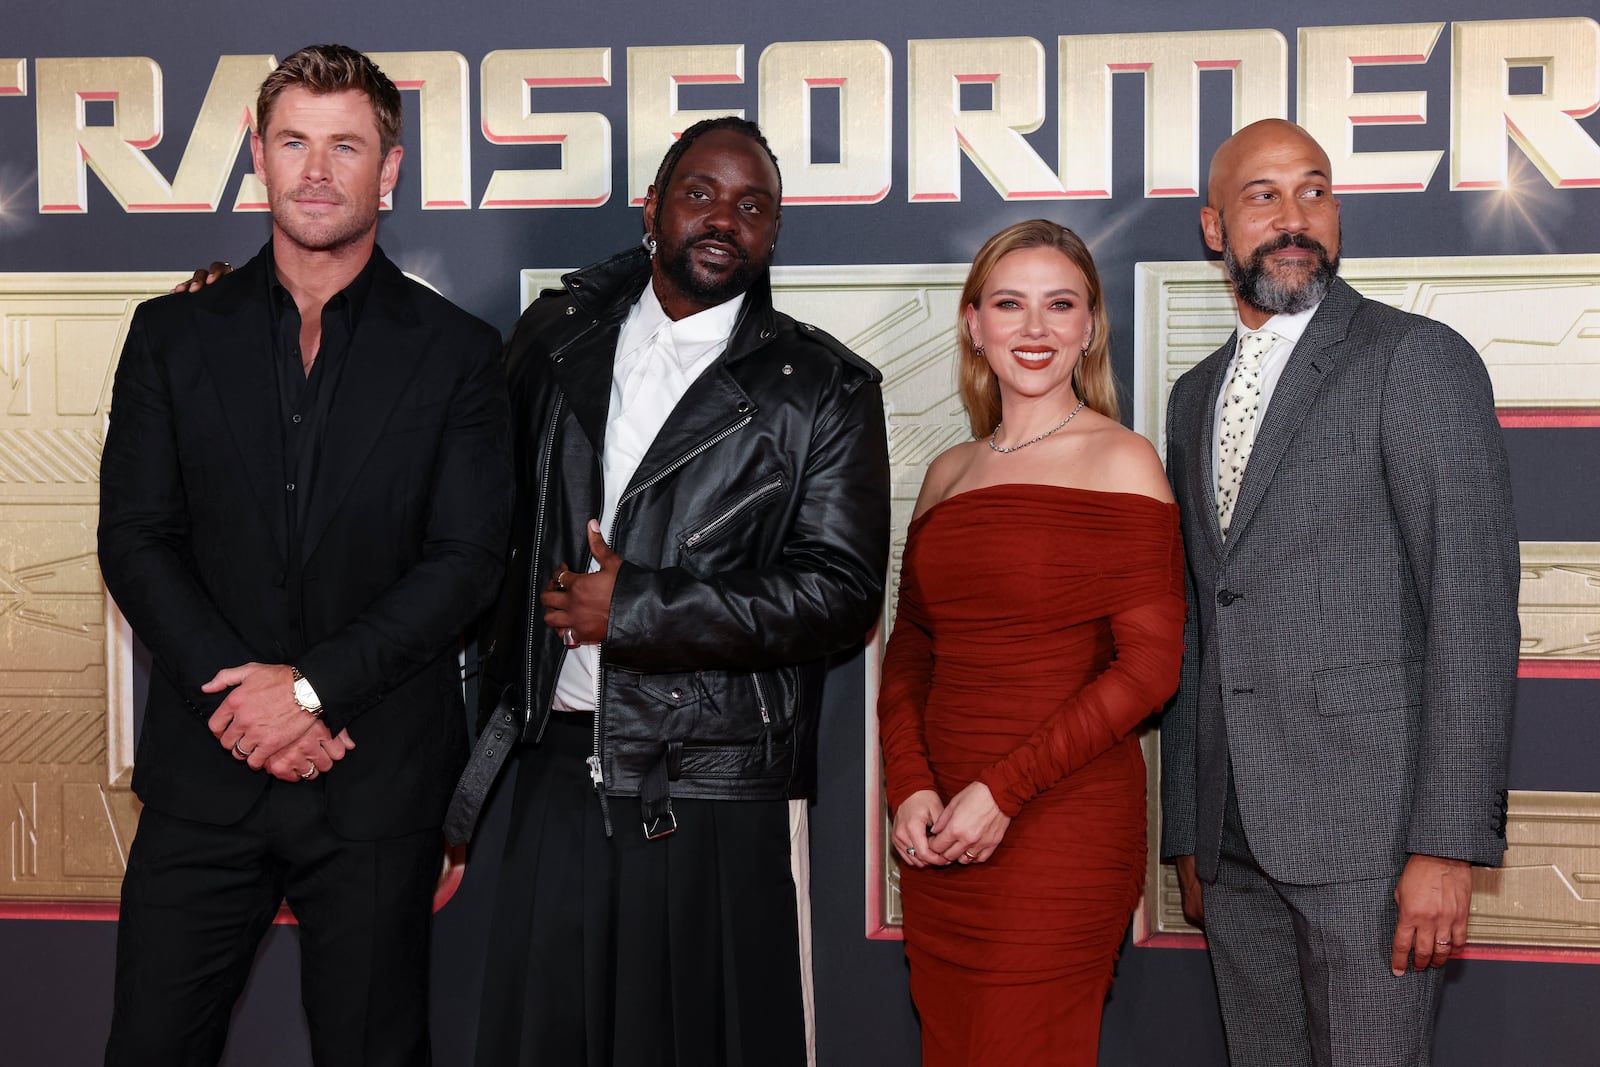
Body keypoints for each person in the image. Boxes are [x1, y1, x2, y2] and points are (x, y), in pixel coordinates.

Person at [443, 116, 891, 1066]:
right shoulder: (556, 339)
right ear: (650, 208)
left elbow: (843, 593)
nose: (725, 217)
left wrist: (638, 609)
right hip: (555, 762)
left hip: (711, 780)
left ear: (774, 233)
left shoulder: (825, 386)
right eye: (699, 193)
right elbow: (462, 473)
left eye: (752, 204)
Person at [97, 44, 511, 1065]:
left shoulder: (457, 352)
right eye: (294, 141)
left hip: (373, 779)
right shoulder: (169, 335)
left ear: (390, 169)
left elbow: (465, 560)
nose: (316, 169)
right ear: (258, 154)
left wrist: (314, 691)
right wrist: (249, 708)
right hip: (208, 774)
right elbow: (135, 538)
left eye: (345, 145)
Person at [1160, 119, 1519, 1066]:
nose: (1294, 219)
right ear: (1213, 227)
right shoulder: (1192, 397)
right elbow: (1205, 614)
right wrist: (1190, 826)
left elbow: (1472, 613)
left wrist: (1446, 846)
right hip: (1233, 838)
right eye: (1263, 196)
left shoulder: (1415, 359)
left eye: (1314, 191)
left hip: (1374, 839)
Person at [877, 219, 1185, 1065]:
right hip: (941, 837)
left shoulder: (1123, 460)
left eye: (1061, 304)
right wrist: (908, 787)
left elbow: (1152, 667)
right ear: (974, 322)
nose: (1036, 329)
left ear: (1090, 326)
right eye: (1010, 304)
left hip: (1056, 827)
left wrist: (1005, 791)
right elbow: (910, 649)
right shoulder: (948, 470)